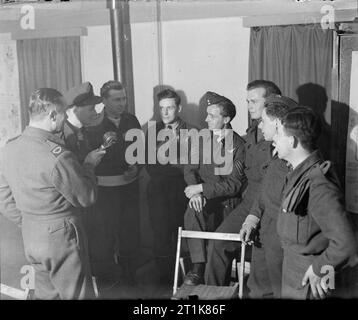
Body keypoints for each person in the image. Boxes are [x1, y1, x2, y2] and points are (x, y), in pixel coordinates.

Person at [0, 88, 105, 299]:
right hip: (62, 238)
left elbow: (3, 197)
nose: (66, 117)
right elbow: (86, 197)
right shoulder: (57, 156)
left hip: (31, 235)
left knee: (47, 296)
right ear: (52, 115)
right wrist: (89, 166)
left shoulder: (8, 149)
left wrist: (31, 222)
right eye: (64, 112)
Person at [273, 106, 356, 299]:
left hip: (309, 281)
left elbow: (346, 243)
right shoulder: (299, 174)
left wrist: (319, 269)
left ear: (292, 141)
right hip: (294, 273)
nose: (274, 139)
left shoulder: (318, 183)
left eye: (278, 134)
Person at [205, 80, 282, 286]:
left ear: (271, 103)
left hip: (271, 207)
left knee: (262, 268)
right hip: (249, 202)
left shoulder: (279, 138)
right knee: (217, 243)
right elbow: (239, 177)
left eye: (254, 101)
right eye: (247, 101)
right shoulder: (250, 136)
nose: (249, 106)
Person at [183, 91, 247, 285]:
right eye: (207, 114)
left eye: (212, 115)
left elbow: (233, 184)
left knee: (219, 247)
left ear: (226, 119)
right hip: (205, 200)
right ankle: (198, 267)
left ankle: (217, 283)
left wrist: (201, 188)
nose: (206, 119)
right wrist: (195, 191)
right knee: (193, 210)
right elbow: (189, 169)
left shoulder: (239, 146)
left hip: (228, 205)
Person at [83, 80, 142, 285]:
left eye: (124, 98)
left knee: (130, 233)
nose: (122, 103)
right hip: (104, 191)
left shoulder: (132, 120)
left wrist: (137, 167)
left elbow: (140, 151)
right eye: (116, 99)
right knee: (105, 236)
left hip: (129, 188)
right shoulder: (93, 124)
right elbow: (87, 159)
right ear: (104, 101)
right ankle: (107, 280)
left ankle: (129, 279)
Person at [239, 95, 298, 298]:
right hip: (263, 235)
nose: (260, 126)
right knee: (258, 290)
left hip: (281, 241)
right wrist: (252, 218)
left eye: (264, 121)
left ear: (278, 123)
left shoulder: (293, 159)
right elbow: (263, 190)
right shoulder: (273, 152)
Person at [145, 88, 196, 285]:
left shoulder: (193, 131)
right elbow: (151, 166)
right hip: (159, 191)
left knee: (186, 234)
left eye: (170, 108)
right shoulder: (151, 132)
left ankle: (187, 278)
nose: (165, 113)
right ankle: (165, 282)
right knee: (161, 236)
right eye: (161, 108)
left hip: (184, 190)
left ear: (179, 108)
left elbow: (195, 164)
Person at [61, 82, 103, 163]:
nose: (95, 113)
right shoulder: (63, 137)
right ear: (75, 110)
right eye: (91, 109)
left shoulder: (84, 132)